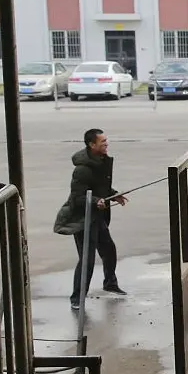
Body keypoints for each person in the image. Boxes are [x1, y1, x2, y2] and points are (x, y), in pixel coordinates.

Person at [66, 128, 128, 310]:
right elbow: (78, 197)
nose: (106, 144)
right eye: (103, 142)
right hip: (83, 219)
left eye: (106, 140)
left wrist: (114, 195)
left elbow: (101, 188)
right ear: (92, 145)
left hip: (97, 217)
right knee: (87, 259)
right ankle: (77, 298)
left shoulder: (102, 162)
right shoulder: (82, 170)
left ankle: (110, 283)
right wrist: (95, 201)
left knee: (109, 250)